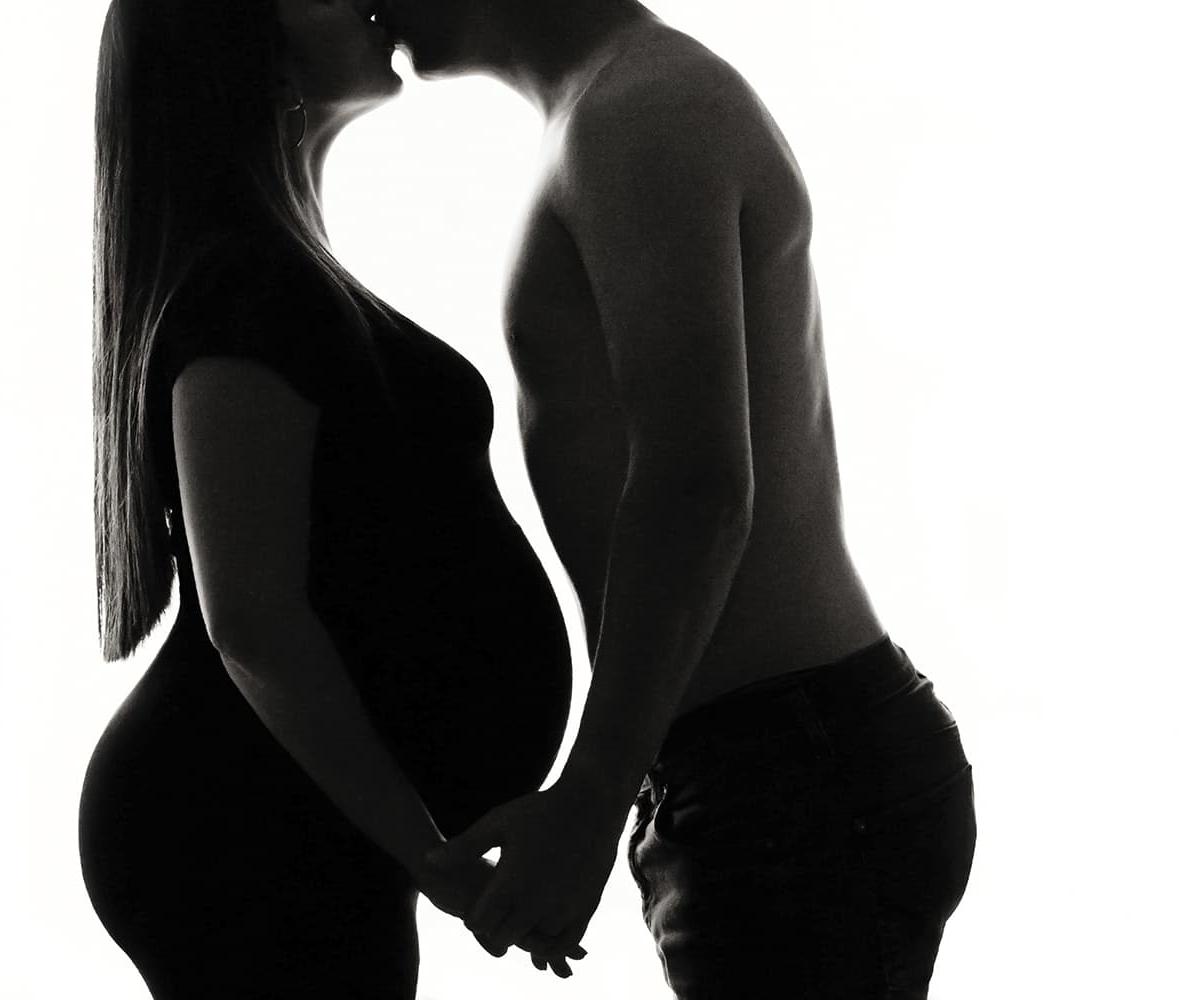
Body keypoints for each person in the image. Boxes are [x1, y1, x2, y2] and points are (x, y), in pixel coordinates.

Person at [383, 1, 979, 996]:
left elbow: (698, 486)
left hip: (788, 778)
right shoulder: (615, 109)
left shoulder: (638, 112)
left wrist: (589, 802)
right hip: (772, 769)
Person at [78, 1, 583, 996]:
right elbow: (253, 621)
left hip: (291, 834)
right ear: (243, 38)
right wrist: (434, 861)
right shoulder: (243, 291)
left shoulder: (280, 270)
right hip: (238, 834)